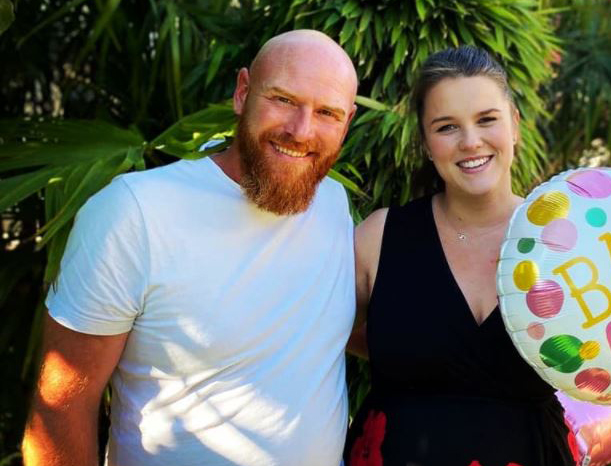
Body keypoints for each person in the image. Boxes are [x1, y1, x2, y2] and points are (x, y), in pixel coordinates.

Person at [345, 46, 611, 466]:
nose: (470, 141)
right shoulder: (379, 237)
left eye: (486, 120)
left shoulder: (579, 238)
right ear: (425, 142)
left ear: (513, 124)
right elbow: (321, 334)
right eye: (446, 127)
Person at [22, 30, 359, 466]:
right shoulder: (136, 211)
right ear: (243, 92)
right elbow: (61, 409)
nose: (301, 130)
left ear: (346, 123)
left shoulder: (333, 204)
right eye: (284, 100)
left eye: (326, 112)